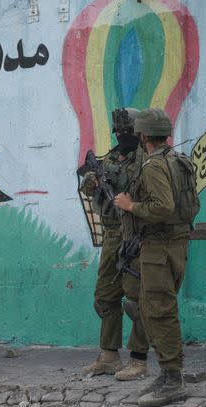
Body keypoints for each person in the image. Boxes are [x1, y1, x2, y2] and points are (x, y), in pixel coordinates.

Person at [114, 108, 199, 407]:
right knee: (158, 309)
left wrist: (130, 206)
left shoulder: (153, 165)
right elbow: (191, 205)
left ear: (143, 136)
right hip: (176, 244)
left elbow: (162, 207)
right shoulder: (178, 160)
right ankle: (167, 373)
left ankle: (173, 380)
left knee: (157, 311)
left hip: (159, 248)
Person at [80, 108, 149, 381]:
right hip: (111, 234)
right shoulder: (108, 158)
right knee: (105, 297)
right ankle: (109, 356)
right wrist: (91, 180)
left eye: (127, 131)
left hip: (134, 233)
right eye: (119, 131)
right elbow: (89, 190)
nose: (122, 136)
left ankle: (139, 359)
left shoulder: (146, 159)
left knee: (135, 300)